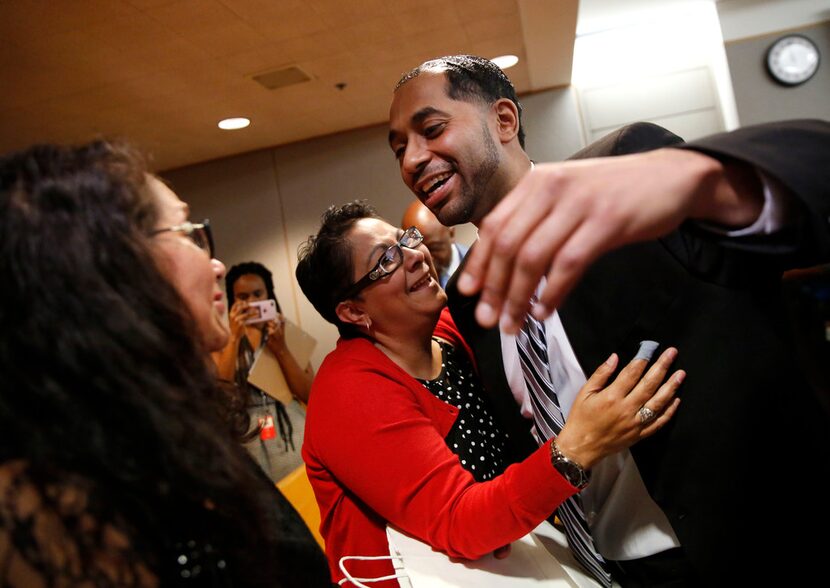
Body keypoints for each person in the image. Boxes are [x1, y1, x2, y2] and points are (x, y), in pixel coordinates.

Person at [388, 54, 830, 586]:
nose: (412, 159)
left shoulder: (623, 172)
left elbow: (812, 192)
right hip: (611, 571)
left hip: (763, 546)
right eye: (398, 149)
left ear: (503, 121)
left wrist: (701, 180)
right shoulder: (468, 296)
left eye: (431, 129)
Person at [294, 200, 684, 586]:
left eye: (406, 240)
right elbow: (458, 519)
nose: (414, 256)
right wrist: (576, 448)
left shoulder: (447, 333)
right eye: (386, 262)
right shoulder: (349, 389)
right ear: (352, 312)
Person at [0, 139, 331, 587]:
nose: (215, 263)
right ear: (115, 265)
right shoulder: (44, 499)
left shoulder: (168, 426)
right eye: (190, 233)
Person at [213, 261, 313, 483]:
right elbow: (219, 394)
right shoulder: (221, 339)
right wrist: (234, 338)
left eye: (258, 293)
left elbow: (308, 394)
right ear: (233, 300)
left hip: (292, 427)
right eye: (243, 297)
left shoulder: (286, 333)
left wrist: (281, 349)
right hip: (248, 436)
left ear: (269, 294)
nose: (252, 302)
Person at [401, 198, 469, 288]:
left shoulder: (480, 265)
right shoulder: (413, 284)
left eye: (434, 248)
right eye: (416, 250)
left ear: (451, 233)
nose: (427, 256)